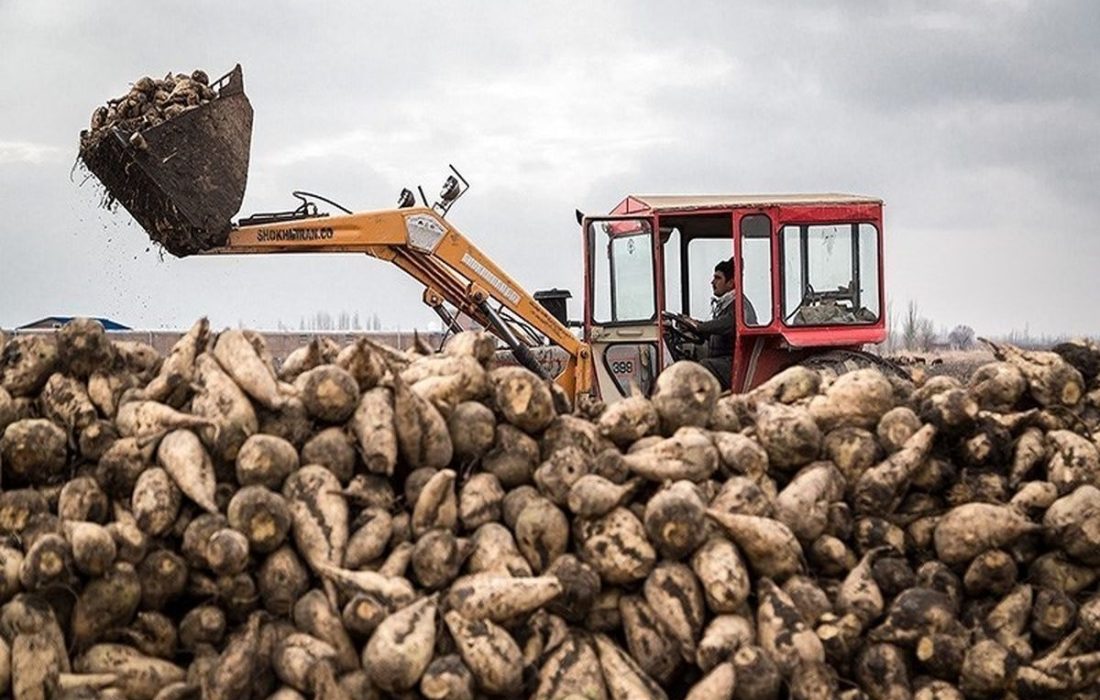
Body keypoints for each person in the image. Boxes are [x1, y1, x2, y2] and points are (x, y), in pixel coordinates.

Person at [669, 258, 756, 389]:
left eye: (717, 278)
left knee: (701, 368)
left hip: (734, 362)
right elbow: (716, 330)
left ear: (731, 283)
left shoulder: (739, 307)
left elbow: (725, 324)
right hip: (724, 360)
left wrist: (698, 326)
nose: (712, 282)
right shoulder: (725, 305)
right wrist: (691, 326)